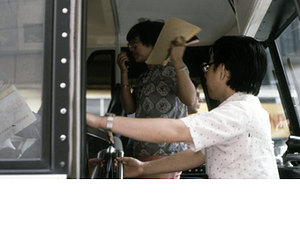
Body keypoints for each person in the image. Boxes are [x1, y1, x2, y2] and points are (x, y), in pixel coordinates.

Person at [86, 35, 280, 179]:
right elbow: (197, 155)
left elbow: (175, 130)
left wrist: (102, 121)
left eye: (208, 67)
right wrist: (143, 168)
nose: (205, 73)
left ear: (223, 72)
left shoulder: (240, 112)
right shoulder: (242, 109)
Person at [115, 20, 197, 178]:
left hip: (166, 154)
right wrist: (124, 73)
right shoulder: (144, 77)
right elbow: (130, 108)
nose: (131, 48)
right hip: (142, 153)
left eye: (135, 42)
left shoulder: (172, 68)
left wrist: (178, 62)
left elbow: (190, 99)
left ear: (153, 42)